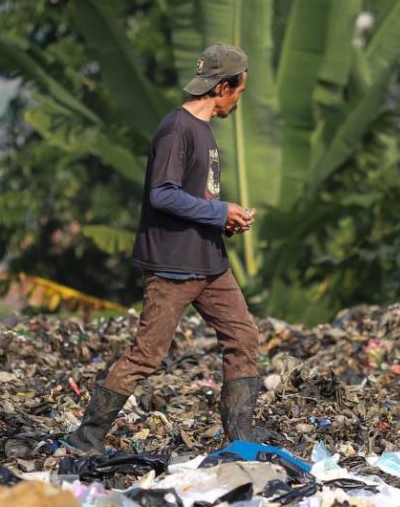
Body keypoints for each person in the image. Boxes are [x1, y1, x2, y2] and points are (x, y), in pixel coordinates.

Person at [65, 43, 266, 455]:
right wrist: (218, 211)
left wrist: (226, 219)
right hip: (173, 266)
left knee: (243, 337)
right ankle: (85, 439)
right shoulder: (177, 130)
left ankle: (242, 440)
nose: (239, 100)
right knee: (147, 355)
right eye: (240, 91)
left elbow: (195, 199)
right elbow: (163, 195)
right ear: (224, 87)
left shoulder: (203, 131)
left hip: (209, 263)